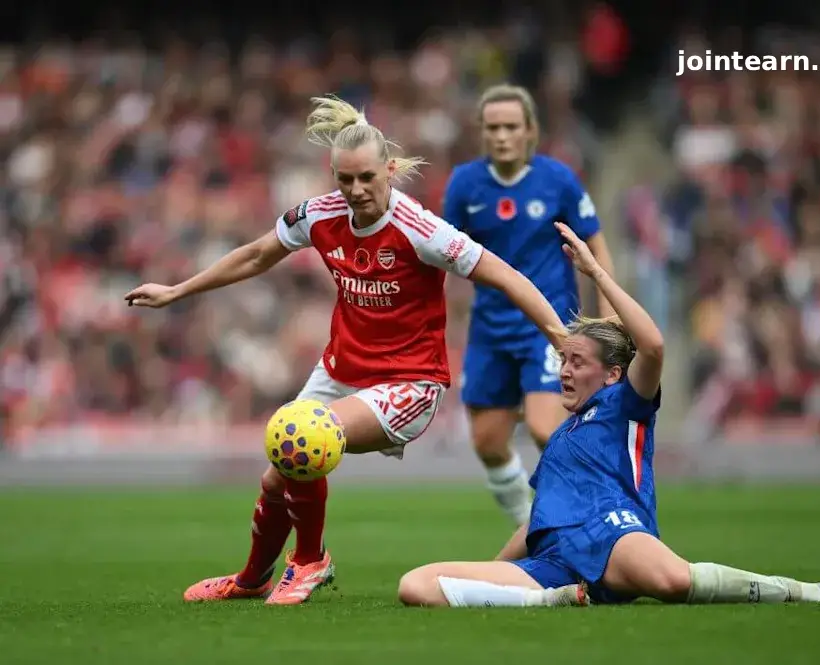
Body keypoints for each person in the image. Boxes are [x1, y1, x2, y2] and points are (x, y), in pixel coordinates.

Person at [124, 95, 567, 606]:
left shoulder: (421, 230)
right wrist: (178, 290)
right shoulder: (316, 216)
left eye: (367, 179)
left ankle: (310, 560)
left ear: (390, 171)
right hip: (342, 371)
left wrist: (558, 333)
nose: (356, 191)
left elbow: (505, 275)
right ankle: (250, 580)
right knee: (277, 471)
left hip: (410, 383)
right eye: (345, 179)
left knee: (303, 438)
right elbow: (254, 256)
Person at [396, 222, 820, 608]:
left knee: (674, 580)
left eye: (575, 362)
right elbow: (536, 523)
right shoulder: (563, 436)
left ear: (612, 374)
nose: (562, 372)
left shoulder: (623, 403)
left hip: (613, 531)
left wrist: (595, 274)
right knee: (416, 585)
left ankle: (818, 592)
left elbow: (652, 345)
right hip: (553, 563)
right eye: (561, 361)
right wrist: (490, 573)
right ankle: (550, 602)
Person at [443, 84, 617, 525]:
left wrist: (610, 317)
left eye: (511, 127)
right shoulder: (465, 184)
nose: (502, 136)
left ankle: (594, 518)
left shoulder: (557, 179)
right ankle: (531, 526)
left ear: (530, 131)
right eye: (493, 127)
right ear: (482, 132)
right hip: (490, 326)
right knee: (487, 441)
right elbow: (440, 249)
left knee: (546, 427)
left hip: (549, 324)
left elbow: (594, 242)